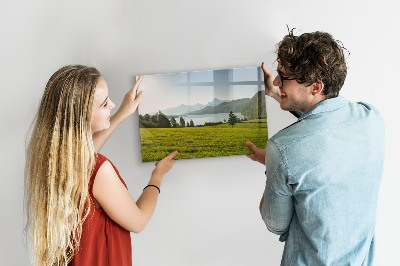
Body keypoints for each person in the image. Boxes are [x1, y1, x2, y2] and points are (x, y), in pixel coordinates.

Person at [246, 30, 385, 265]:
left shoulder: (282, 149)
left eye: (284, 77)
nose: (277, 81)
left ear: (316, 86)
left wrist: (273, 164)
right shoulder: (371, 118)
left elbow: (274, 224)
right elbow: (324, 123)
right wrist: (276, 94)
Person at [24, 65, 178, 266]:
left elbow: (86, 156)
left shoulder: (53, 159)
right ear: (82, 117)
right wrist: (157, 176)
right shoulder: (100, 170)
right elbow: (139, 221)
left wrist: (122, 113)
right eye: (105, 104)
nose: (113, 104)